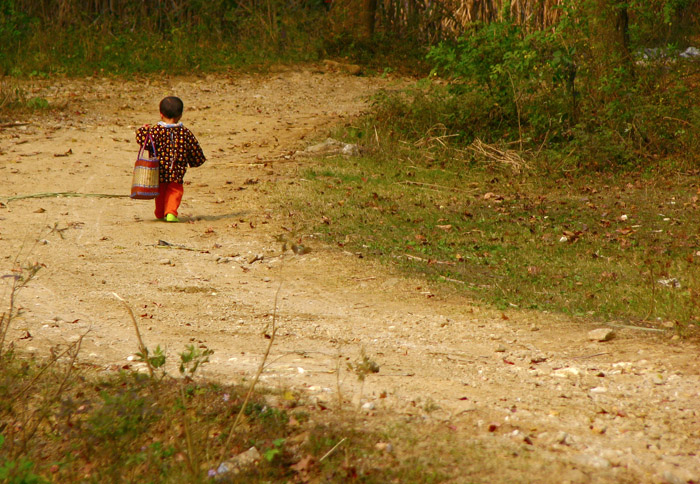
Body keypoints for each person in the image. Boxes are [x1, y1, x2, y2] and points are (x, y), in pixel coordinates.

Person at [135, 96, 206, 222]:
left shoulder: (156, 131)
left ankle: (160, 212)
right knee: (175, 190)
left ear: (161, 114)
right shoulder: (185, 132)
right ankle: (171, 212)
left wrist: (143, 130)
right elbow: (194, 148)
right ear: (180, 115)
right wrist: (196, 160)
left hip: (159, 170)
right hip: (177, 170)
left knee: (160, 191)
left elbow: (143, 141)